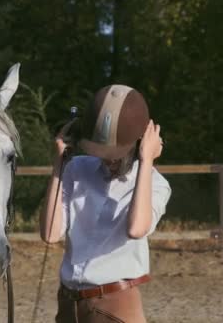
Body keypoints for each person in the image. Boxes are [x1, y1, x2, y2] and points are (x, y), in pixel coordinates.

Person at [40, 85, 171, 323]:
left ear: (140, 143)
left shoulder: (156, 184)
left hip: (117, 305)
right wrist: (58, 165)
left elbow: (136, 229)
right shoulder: (77, 168)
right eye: (101, 152)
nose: (108, 159)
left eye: (117, 154)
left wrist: (146, 162)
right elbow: (50, 233)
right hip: (69, 303)